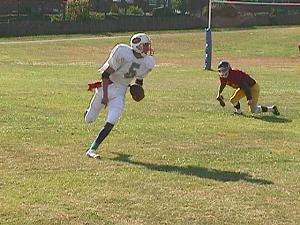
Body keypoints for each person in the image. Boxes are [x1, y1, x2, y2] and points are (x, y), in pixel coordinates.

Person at [84, 33, 155, 159]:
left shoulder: (146, 62)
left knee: (112, 120)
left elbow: (139, 79)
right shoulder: (122, 52)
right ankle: (87, 113)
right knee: (89, 119)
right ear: (138, 46)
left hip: (120, 93)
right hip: (107, 87)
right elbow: (105, 75)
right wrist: (105, 97)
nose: (148, 48)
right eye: (145, 45)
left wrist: (138, 90)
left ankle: (92, 149)